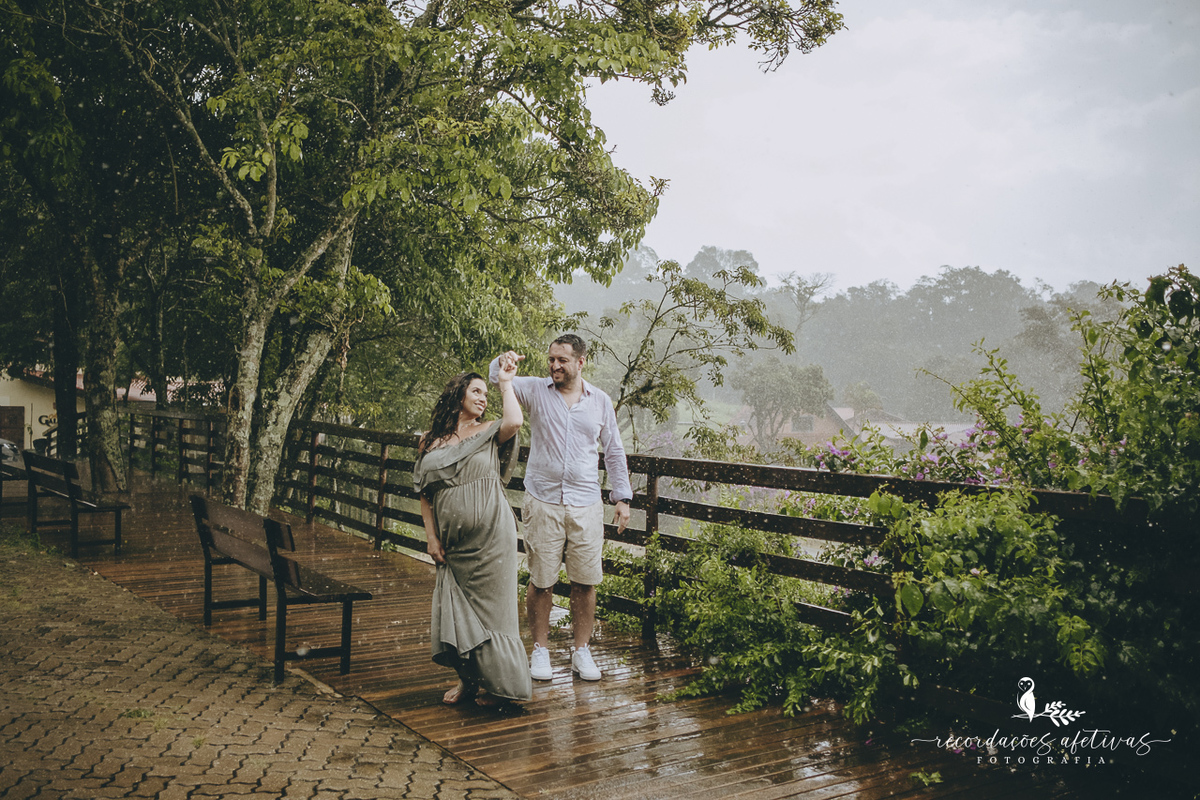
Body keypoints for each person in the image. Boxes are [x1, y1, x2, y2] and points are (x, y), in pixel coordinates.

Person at [489, 334, 632, 682]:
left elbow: (614, 450)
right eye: (551, 359)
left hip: (585, 504)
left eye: (562, 360)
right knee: (541, 580)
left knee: (585, 582)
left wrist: (622, 497)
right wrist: (503, 361)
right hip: (543, 501)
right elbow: (496, 377)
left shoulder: (600, 401)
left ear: (580, 362)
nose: (554, 365)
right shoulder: (535, 390)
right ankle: (540, 650)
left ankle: (581, 651)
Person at [413, 364, 532, 707]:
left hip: (492, 538)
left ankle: (502, 688)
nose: (483, 398)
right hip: (453, 543)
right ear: (457, 395)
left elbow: (515, 421)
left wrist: (506, 383)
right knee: (456, 608)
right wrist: (431, 537)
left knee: (495, 615)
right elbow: (424, 493)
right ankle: (469, 680)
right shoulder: (429, 441)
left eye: (486, 393)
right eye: (476, 391)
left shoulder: (490, 431)